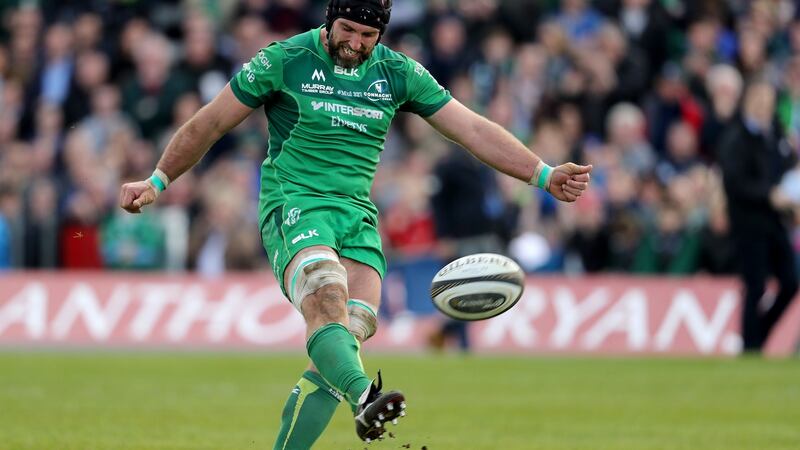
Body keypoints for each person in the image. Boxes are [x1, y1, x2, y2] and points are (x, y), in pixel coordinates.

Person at [118, 1, 592, 447]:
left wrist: (542, 173)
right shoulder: (284, 59)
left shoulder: (397, 72)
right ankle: (366, 398)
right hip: (296, 204)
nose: (355, 43)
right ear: (330, 21)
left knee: (347, 338)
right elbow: (210, 123)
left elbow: (470, 128)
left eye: (368, 35)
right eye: (347, 30)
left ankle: (340, 404)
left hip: (358, 217)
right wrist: (158, 180)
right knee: (325, 293)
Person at [718, 80, 798, 353]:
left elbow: (787, 168)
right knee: (755, 285)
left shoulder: (776, 134)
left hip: (775, 221)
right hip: (749, 223)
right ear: (747, 101)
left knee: (790, 281)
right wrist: (768, 194)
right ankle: (751, 345)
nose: (764, 105)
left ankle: (758, 336)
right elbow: (734, 182)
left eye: (768, 100)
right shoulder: (736, 137)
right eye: (758, 99)